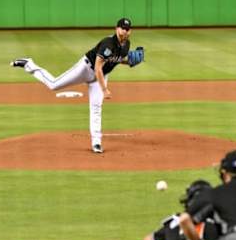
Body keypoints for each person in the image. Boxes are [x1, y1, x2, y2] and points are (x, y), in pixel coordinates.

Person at [10, 17, 144, 153]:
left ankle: (96, 143)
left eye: (127, 29)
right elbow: (98, 67)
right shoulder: (108, 43)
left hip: (100, 77)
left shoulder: (126, 45)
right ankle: (29, 64)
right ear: (116, 29)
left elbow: (117, 59)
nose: (124, 31)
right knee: (53, 85)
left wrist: (130, 62)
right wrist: (104, 90)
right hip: (86, 69)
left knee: (96, 107)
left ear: (130, 31)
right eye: (122, 28)